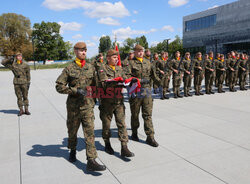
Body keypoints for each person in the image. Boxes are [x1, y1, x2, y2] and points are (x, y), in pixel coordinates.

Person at [55, 42, 106, 171]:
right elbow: (59, 86)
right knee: (72, 131)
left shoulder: (90, 68)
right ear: (75, 51)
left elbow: (96, 86)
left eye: (85, 50)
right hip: (73, 107)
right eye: (80, 50)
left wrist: (99, 101)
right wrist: (75, 91)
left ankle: (91, 160)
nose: (83, 52)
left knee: (89, 132)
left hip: (88, 106)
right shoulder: (69, 68)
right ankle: (72, 150)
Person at [97, 49, 134, 157]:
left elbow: (125, 79)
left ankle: (124, 147)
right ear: (108, 58)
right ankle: (107, 143)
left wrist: (131, 81)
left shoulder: (119, 68)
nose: (116, 59)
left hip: (119, 101)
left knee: (122, 124)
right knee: (107, 125)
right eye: (114, 57)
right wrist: (116, 82)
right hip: (107, 102)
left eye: (117, 57)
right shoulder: (102, 68)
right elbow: (104, 84)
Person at [128, 44, 161, 147]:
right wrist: (134, 80)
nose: (140, 52)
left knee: (147, 115)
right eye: (138, 51)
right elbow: (126, 76)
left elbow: (153, 75)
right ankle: (134, 132)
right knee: (135, 114)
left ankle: (150, 137)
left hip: (146, 91)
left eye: (141, 51)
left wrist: (161, 83)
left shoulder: (148, 62)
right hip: (135, 91)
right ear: (135, 52)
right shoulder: (130, 63)